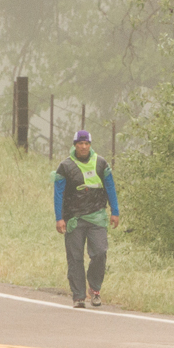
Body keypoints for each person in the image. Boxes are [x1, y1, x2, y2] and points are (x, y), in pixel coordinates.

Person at [52, 128, 119, 308]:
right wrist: (59, 218)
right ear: (75, 145)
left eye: (86, 144)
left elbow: (110, 187)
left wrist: (115, 211)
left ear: (90, 145)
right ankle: (78, 296)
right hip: (74, 219)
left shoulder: (101, 163)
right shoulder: (65, 167)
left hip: (97, 217)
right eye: (80, 144)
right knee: (75, 258)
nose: (83, 147)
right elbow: (58, 194)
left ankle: (95, 289)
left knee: (100, 252)